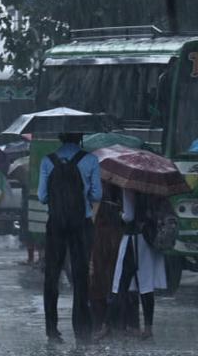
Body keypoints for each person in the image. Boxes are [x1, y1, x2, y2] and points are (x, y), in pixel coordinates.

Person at [38, 132, 101, 343]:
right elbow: (97, 195)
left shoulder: (48, 161)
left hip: (56, 224)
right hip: (81, 224)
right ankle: (81, 329)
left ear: (60, 137)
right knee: (81, 276)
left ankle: (52, 330)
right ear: (80, 137)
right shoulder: (90, 160)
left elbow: (42, 196)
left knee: (52, 276)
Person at [101, 187, 167, 341]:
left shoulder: (129, 188)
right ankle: (148, 327)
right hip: (146, 239)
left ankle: (106, 325)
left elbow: (129, 217)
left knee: (120, 284)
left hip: (132, 240)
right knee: (146, 285)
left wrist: (119, 213)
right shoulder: (150, 188)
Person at [89, 181, 139, 336]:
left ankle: (103, 322)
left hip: (106, 235)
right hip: (118, 234)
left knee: (105, 278)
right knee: (117, 280)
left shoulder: (100, 184)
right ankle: (122, 322)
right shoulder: (127, 185)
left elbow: (93, 213)